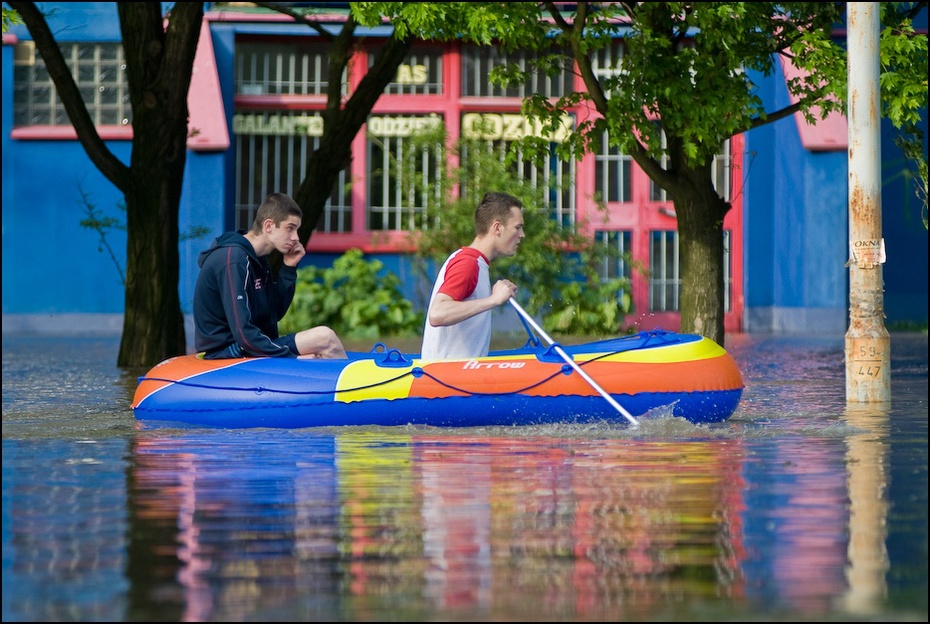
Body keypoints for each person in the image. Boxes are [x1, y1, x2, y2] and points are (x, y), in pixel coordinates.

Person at [193, 192, 347, 360]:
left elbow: (273, 313)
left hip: (251, 346)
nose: (296, 238)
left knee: (323, 343)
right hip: (229, 354)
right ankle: (355, 386)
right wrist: (292, 358)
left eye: (297, 230)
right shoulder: (234, 259)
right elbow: (243, 334)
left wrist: (289, 267)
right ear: (269, 226)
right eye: (290, 228)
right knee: (325, 338)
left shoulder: (256, 258)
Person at [421, 191, 525, 360]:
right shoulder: (468, 263)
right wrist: (493, 300)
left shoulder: (477, 263)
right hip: (449, 381)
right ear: (497, 228)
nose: (522, 235)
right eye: (518, 227)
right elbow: (437, 313)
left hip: (458, 378)